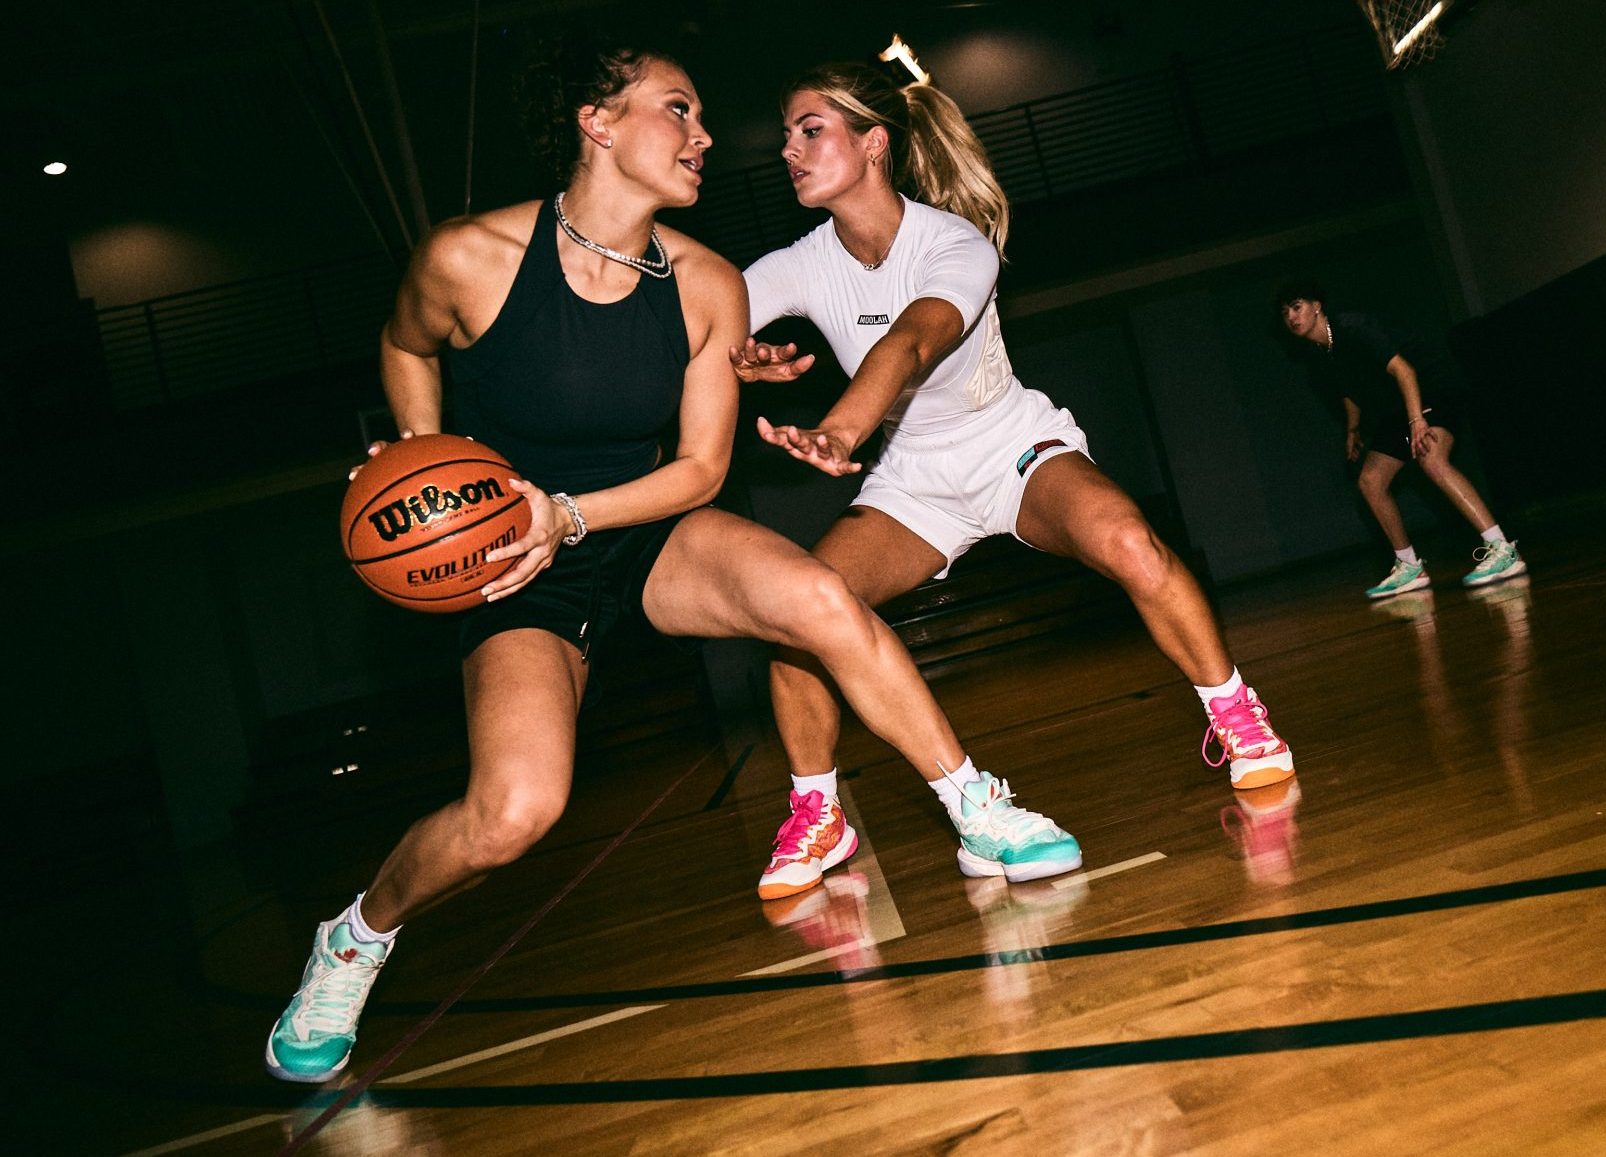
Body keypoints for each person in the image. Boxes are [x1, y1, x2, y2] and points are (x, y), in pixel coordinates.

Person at [265, 35, 1076, 1085]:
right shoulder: (467, 257)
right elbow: (406, 343)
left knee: (817, 594)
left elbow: (697, 469)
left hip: (633, 521)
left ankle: (974, 807)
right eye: (676, 110)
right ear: (596, 123)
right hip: (515, 557)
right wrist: (427, 461)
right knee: (511, 813)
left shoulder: (703, 286)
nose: (704, 136)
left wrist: (567, 511)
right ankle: (357, 936)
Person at [731, 61, 1295, 893]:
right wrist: (735, 355)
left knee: (1130, 543)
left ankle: (1236, 712)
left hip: (1009, 445)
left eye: (809, 129)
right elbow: (710, 316)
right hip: (912, 479)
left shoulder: (952, 242)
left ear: (873, 142)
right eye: (786, 135)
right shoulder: (803, 262)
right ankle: (819, 812)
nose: (789, 149)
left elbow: (912, 342)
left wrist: (840, 429)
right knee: (792, 616)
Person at [1275, 281, 1525, 596]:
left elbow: (1404, 371)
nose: (1292, 317)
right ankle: (1409, 568)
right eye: (1285, 313)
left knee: (1431, 459)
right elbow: (1349, 391)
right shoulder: (1321, 353)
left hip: (1432, 386)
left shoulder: (1353, 328)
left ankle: (1503, 550)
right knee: (1370, 481)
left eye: (1296, 307)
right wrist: (1352, 430)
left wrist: (1417, 418)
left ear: (1316, 306)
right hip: (1397, 408)